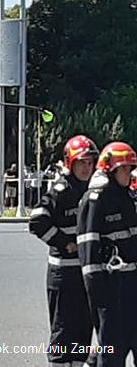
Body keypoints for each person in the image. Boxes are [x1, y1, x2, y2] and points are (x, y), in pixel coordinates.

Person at [29, 135, 99, 367]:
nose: (86, 168)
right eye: (82, 162)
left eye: (90, 162)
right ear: (70, 163)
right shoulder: (61, 190)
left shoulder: (93, 189)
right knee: (63, 331)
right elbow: (37, 221)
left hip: (86, 273)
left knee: (83, 329)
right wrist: (63, 243)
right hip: (64, 275)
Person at [77, 141, 137, 367]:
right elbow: (89, 253)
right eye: (123, 169)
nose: (128, 174)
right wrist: (100, 296)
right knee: (111, 350)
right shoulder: (95, 200)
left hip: (132, 287)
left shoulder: (127, 198)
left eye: (129, 169)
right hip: (111, 290)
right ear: (110, 169)